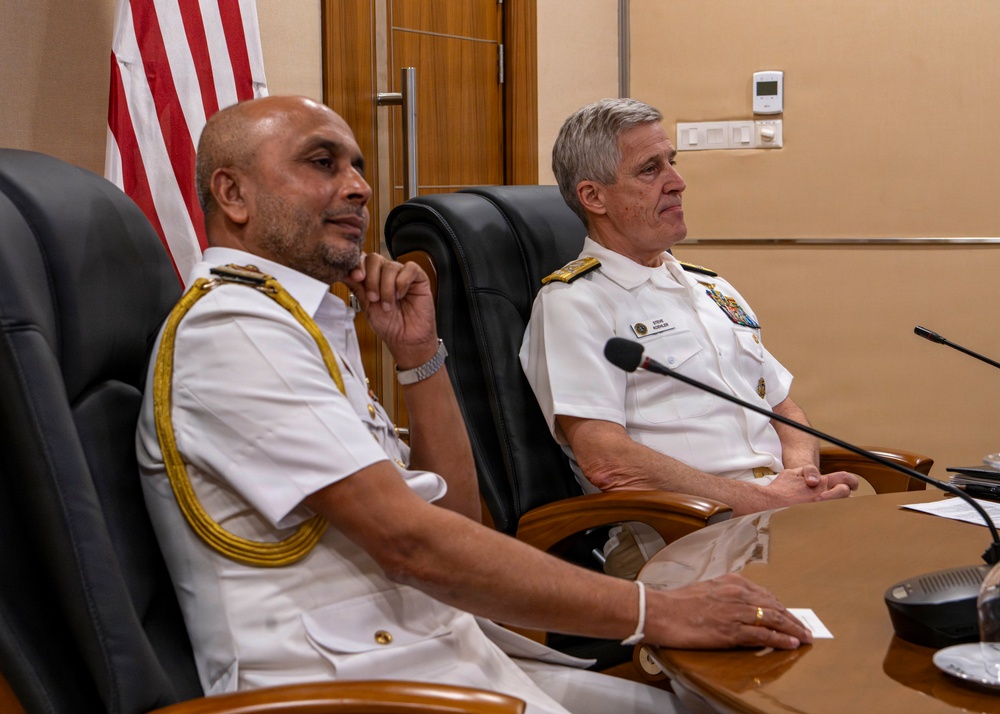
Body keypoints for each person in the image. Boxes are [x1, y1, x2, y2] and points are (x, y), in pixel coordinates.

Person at [136, 95, 813, 714]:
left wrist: (420, 359)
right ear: (233, 194)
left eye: (358, 166)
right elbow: (410, 543)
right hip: (356, 690)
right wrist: (656, 612)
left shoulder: (298, 324)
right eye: (322, 162)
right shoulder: (237, 331)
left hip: (435, 651)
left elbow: (455, 517)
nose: (358, 186)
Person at [519, 99, 861, 572]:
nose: (677, 181)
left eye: (672, 163)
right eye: (649, 169)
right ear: (594, 198)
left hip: (776, 518)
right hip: (681, 534)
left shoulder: (711, 287)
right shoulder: (574, 303)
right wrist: (759, 500)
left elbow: (782, 406)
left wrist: (799, 477)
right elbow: (606, 459)